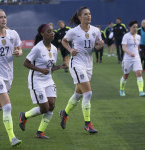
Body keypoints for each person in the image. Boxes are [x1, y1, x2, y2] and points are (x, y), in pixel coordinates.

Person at [59, 6, 104, 134]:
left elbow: (96, 46)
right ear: (80, 17)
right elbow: (64, 41)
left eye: (89, 14)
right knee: (88, 93)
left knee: (78, 94)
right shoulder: (74, 31)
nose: (88, 16)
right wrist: (70, 50)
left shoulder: (95, 30)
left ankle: (64, 113)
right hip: (76, 64)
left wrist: (100, 45)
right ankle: (87, 123)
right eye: (85, 14)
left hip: (89, 65)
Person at [19, 24, 66, 139]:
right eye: (49, 31)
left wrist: (60, 66)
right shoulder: (37, 48)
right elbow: (26, 63)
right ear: (42, 34)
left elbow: (50, 68)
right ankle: (24, 116)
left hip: (48, 80)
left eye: (52, 31)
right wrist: (40, 70)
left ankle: (40, 132)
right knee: (44, 107)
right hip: (36, 81)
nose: (52, 33)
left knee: (52, 105)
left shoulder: (54, 49)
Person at [0, 8, 22, 147]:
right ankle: (12, 138)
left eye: (5, 17)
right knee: (7, 105)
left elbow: (19, 48)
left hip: (9, 75)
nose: (3, 19)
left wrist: (18, 52)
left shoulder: (13, 34)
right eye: (0, 17)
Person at [119, 20, 145, 97]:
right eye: (134, 27)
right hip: (127, 59)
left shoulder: (138, 37)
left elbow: (138, 47)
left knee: (139, 73)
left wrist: (137, 55)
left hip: (136, 58)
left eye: (136, 27)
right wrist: (129, 53)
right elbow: (124, 47)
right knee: (125, 75)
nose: (135, 28)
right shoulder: (126, 36)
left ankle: (141, 91)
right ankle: (121, 90)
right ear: (130, 27)